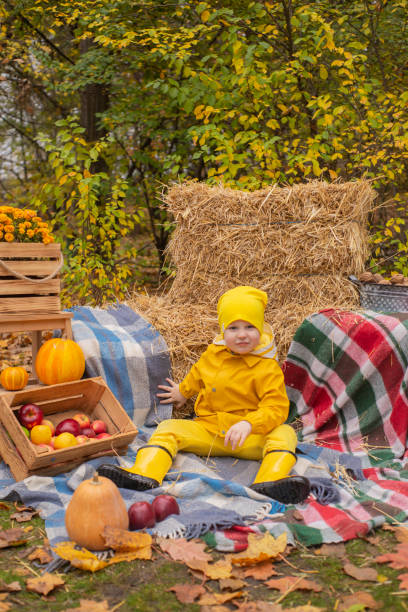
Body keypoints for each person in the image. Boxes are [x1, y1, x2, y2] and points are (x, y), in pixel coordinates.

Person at [99, 286, 310, 504]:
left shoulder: (267, 367)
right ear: (222, 330)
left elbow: (275, 407)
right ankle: (144, 474)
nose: (242, 334)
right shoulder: (214, 353)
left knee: (285, 434)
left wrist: (249, 424)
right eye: (233, 328)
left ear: (260, 328)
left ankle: (270, 482)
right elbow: (198, 374)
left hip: (248, 436)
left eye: (250, 326)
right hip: (210, 430)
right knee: (167, 428)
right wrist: (182, 391)